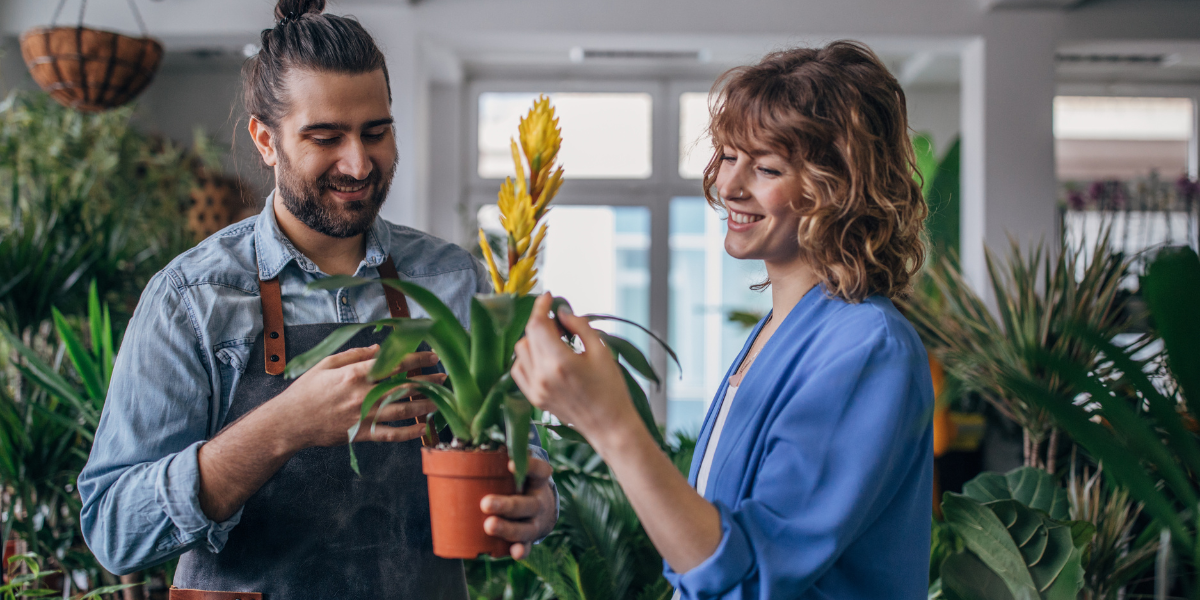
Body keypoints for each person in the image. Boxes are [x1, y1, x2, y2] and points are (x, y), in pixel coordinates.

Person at [77, 1, 556, 598]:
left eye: (376, 132)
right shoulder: (192, 298)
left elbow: (520, 450)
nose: (358, 163)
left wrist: (536, 499)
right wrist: (284, 426)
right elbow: (114, 528)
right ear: (265, 140)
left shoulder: (451, 278)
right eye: (326, 137)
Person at [511, 41, 933, 599]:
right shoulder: (781, 329)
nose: (730, 187)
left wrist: (610, 423)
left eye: (765, 168)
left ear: (840, 186)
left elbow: (751, 577)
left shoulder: (867, 348)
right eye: (729, 156)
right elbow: (708, 540)